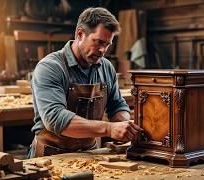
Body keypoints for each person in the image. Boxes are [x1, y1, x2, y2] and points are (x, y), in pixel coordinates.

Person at [28, 7, 143, 158]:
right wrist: (109, 129)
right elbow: (56, 119)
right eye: (99, 42)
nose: (103, 50)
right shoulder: (50, 67)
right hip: (50, 157)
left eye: (107, 44)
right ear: (80, 34)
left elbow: (117, 105)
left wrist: (123, 125)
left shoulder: (106, 67)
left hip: (90, 155)